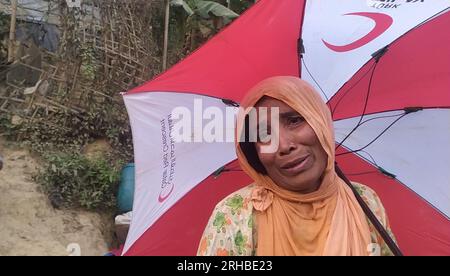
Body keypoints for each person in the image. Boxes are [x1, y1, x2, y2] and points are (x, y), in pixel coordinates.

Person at [197, 76, 396, 256]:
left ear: (321, 123)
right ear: (254, 154)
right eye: (264, 135)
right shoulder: (234, 215)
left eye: (294, 121)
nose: (284, 146)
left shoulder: (365, 201)